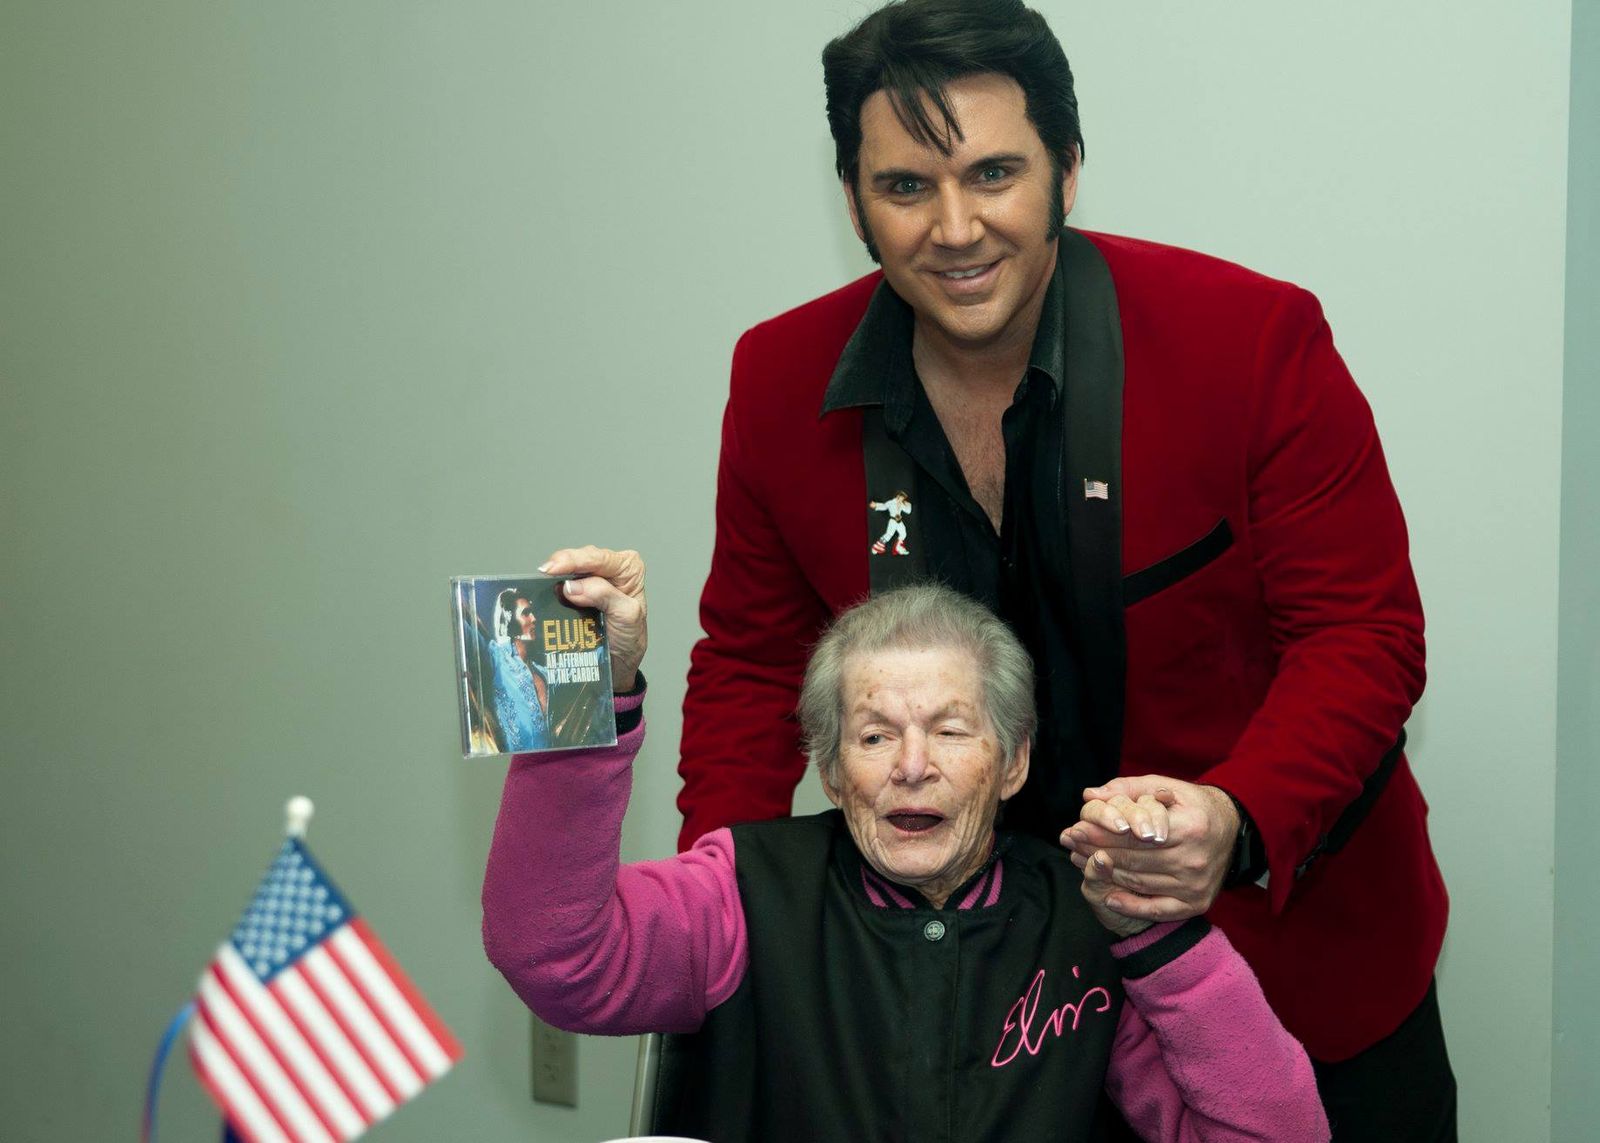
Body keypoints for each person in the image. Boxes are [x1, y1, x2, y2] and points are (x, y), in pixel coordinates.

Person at [676, 1, 1453, 1137]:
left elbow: (1362, 637)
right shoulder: (778, 379)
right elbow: (751, 667)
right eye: (905, 186)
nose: (955, 228)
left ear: (1068, 171)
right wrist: (721, 913)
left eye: (993, 173)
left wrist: (1235, 818)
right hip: (983, 1022)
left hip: (1291, 987)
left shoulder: (1251, 341)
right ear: (852, 200)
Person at [483, 546, 1329, 1143]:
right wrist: (590, 685)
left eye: (951, 730)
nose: (912, 766)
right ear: (831, 769)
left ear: (1014, 761)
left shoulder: (1086, 922)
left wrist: (1160, 934)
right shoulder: (744, 889)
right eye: (875, 736)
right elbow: (556, 954)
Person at [466, 587, 551, 751]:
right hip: (511, 761)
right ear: (509, 620)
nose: (534, 619)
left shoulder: (543, 671)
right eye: (526, 613)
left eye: (532, 613)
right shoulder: (495, 656)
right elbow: (466, 633)